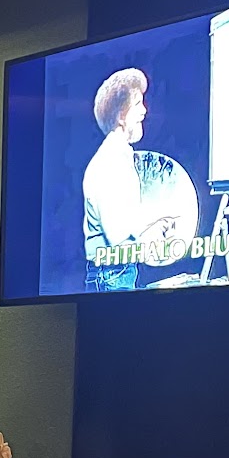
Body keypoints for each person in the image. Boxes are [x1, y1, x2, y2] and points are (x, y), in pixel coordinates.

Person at [82, 67, 149, 291]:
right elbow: (118, 237)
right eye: (137, 104)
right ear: (121, 116)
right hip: (112, 276)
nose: (144, 111)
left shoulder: (120, 156)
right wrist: (151, 234)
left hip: (116, 273)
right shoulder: (110, 161)